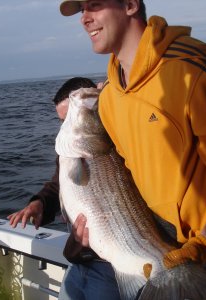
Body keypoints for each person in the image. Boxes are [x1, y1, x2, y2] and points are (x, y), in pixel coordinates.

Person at [59, 1, 206, 299]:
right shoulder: (109, 97)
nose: (84, 19)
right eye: (81, 10)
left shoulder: (194, 66)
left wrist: (205, 241)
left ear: (130, 5)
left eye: (93, 5)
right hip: (156, 248)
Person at [7, 77, 121, 300]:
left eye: (71, 116)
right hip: (78, 259)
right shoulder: (72, 150)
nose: (67, 125)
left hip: (111, 267)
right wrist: (39, 203)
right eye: (62, 120)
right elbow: (61, 183)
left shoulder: (116, 143)